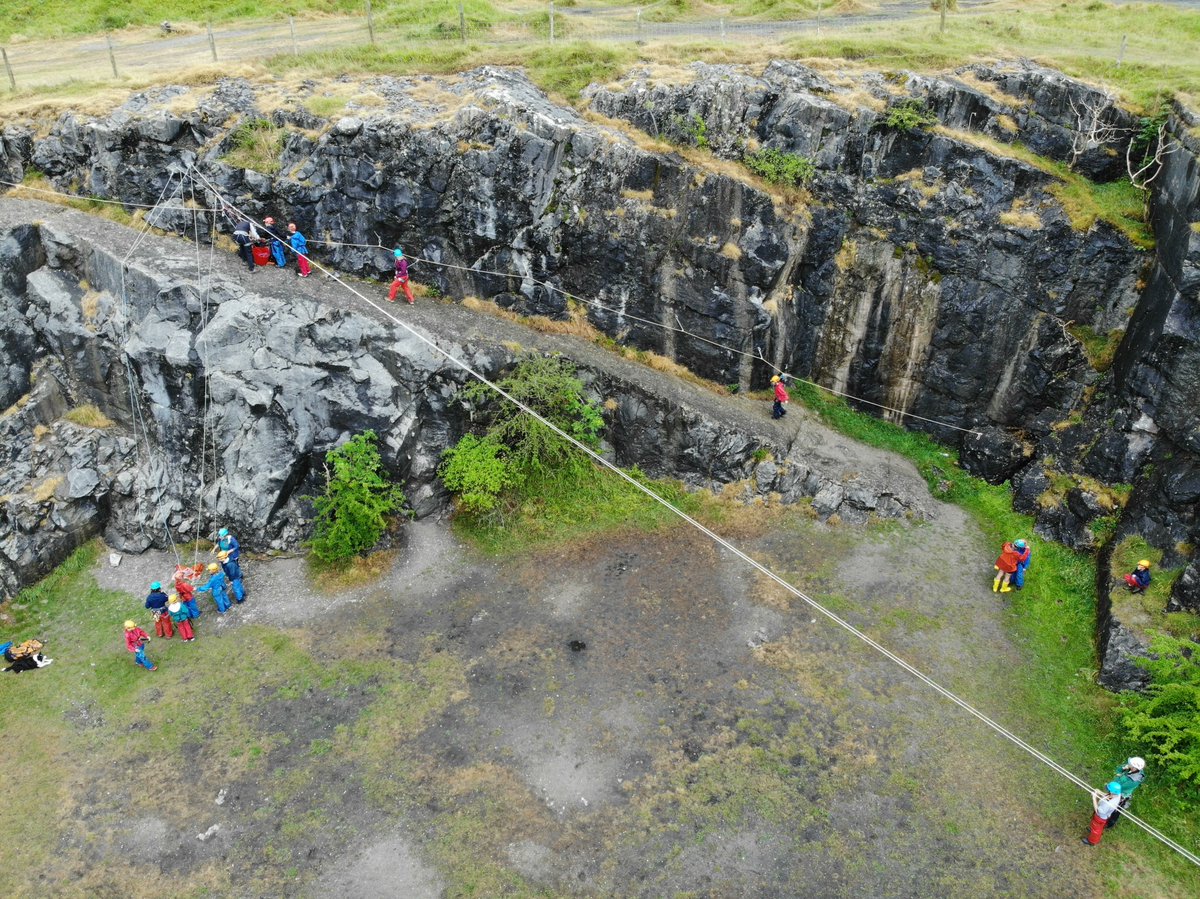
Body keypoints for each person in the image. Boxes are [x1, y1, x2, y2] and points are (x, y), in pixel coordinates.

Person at [1107, 757, 1145, 828]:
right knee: (1108, 803)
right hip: (1115, 788)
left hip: (1121, 794)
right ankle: (1105, 815)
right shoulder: (1130, 768)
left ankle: (1110, 823)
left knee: (1116, 810)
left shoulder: (1134, 780)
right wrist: (1122, 768)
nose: (1128, 764)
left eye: (1130, 764)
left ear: (1134, 768)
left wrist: (1112, 788)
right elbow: (1118, 770)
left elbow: (1121, 787)